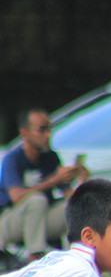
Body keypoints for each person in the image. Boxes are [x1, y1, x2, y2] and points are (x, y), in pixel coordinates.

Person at [0, 109, 90, 262]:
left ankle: (78, 260)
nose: (48, 135)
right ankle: (36, 257)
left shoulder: (51, 158)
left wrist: (82, 182)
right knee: (36, 200)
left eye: (49, 129)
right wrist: (54, 180)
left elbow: (69, 194)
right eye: (42, 130)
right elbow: (16, 197)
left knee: (74, 205)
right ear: (25, 133)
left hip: (39, 222)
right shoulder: (13, 160)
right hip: (10, 222)